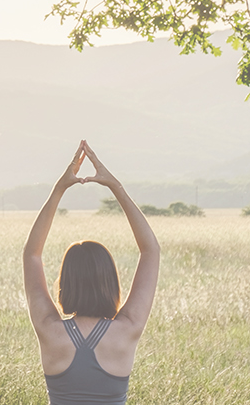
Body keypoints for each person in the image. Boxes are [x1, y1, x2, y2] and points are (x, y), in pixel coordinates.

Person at [24, 141, 161, 405]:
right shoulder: (127, 330)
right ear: (110, 283)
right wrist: (114, 186)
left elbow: (32, 255)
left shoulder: (49, 330)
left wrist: (59, 190)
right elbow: (150, 250)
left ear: (65, 283)